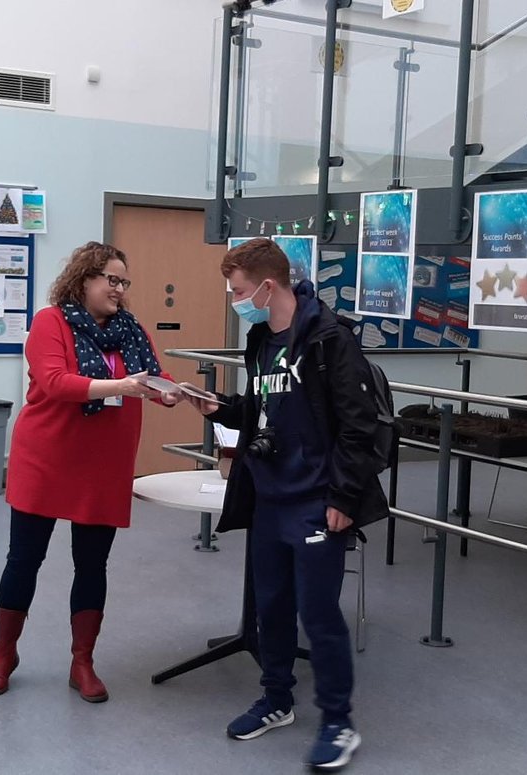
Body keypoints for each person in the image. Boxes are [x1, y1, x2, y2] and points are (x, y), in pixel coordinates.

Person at [184, 238, 388, 772]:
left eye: (239, 291)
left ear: (268, 286)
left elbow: (359, 425)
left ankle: (338, 721)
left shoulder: (328, 341)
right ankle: (276, 699)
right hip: (270, 498)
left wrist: (344, 496)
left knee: (318, 615)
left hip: (318, 501)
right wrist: (222, 408)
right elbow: (265, 407)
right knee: (270, 609)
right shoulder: (260, 341)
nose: (236, 300)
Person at [0, 241, 180, 703]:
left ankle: (82, 661)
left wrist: (168, 392)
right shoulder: (50, 322)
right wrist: (123, 386)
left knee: (92, 564)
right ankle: (3, 654)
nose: (120, 289)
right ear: (84, 279)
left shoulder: (131, 329)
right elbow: (54, 381)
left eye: (124, 282)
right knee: (24, 560)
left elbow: (152, 376)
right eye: (111, 279)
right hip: (46, 459)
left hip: (103, 466)